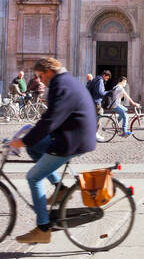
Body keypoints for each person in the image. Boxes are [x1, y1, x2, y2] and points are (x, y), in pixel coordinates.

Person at [6, 57, 98, 245]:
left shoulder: (61, 85)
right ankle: (60, 188)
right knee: (34, 147)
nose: (40, 80)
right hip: (72, 135)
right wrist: (30, 139)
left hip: (72, 140)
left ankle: (43, 228)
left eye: (40, 76)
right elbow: (49, 116)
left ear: (48, 71)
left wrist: (23, 141)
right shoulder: (64, 81)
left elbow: (51, 120)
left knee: (33, 177)